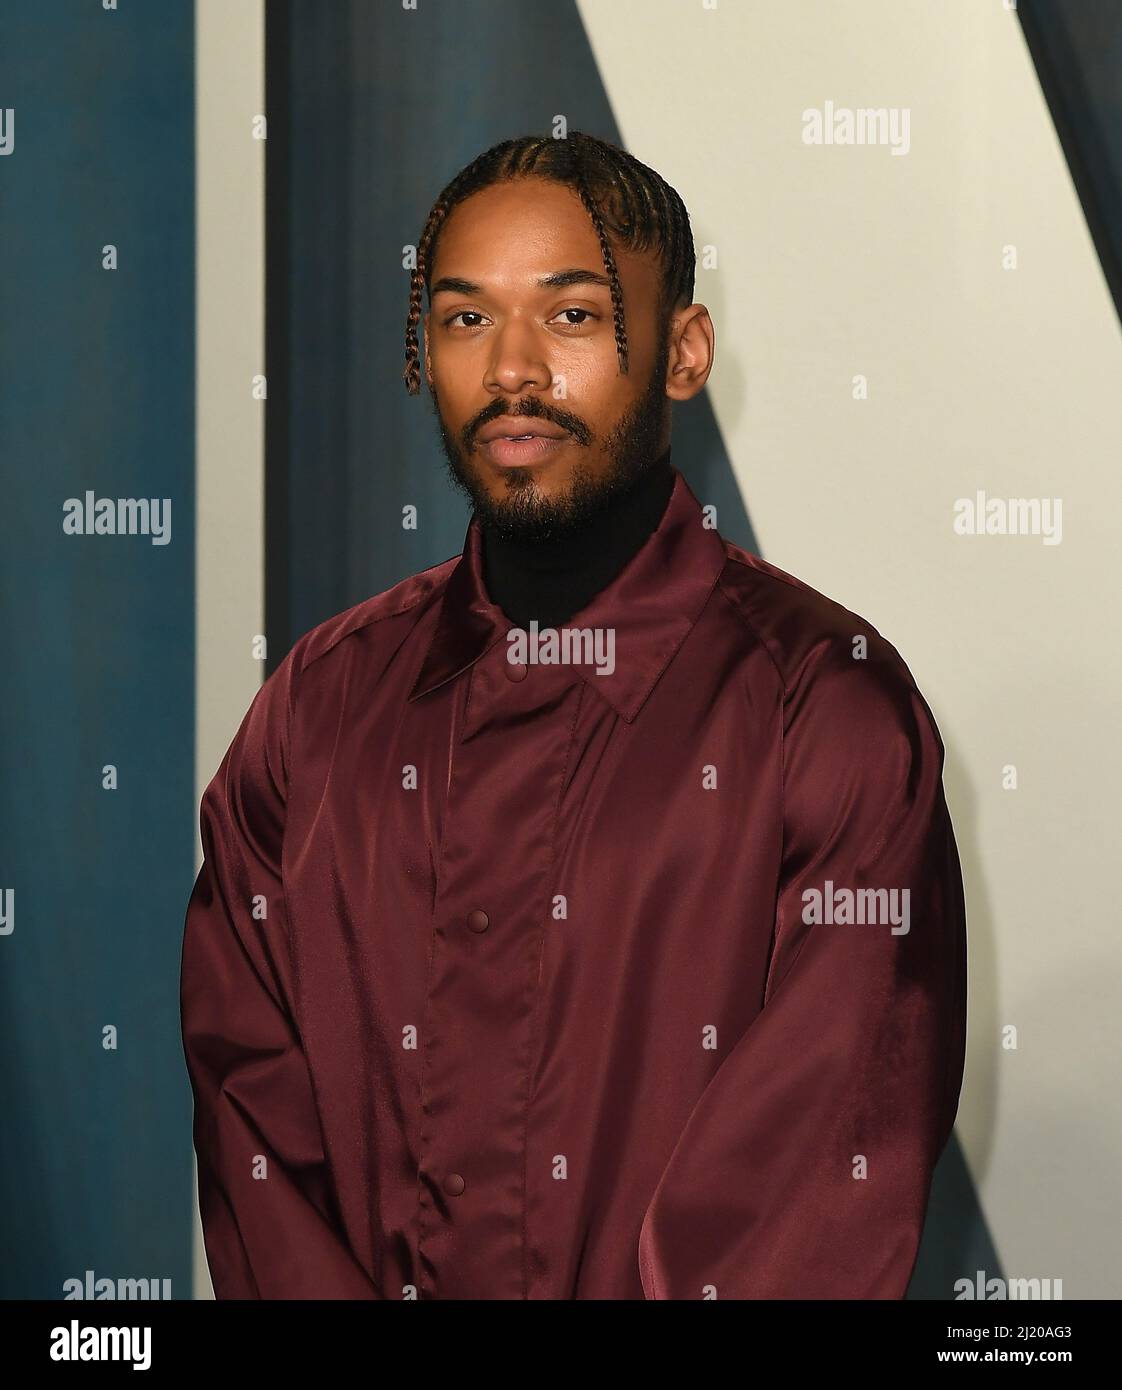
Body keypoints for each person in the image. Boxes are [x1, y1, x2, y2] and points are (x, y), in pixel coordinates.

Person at [180, 130, 967, 1300]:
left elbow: (811, 1200)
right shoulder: (315, 712)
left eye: (573, 316)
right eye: (463, 319)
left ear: (684, 351)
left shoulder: (829, 709)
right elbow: (256, 1138)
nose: (511, 371)